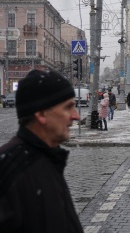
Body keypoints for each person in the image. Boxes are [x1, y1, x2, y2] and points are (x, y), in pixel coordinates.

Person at [0, 69, 83, 232]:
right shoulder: (9, 170)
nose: (76, 116)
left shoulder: (49, 157)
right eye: (68, 107)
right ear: (41, 114)